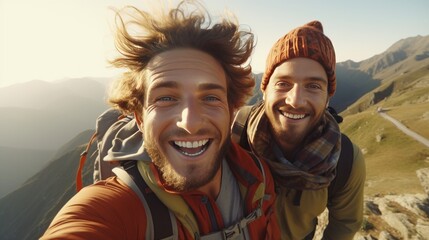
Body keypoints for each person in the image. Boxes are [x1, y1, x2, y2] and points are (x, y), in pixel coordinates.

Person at [41, 1, 279, 239]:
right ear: (140, 118)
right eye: (166, 98)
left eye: (210, 97)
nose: (191, 122)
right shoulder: (116, 208)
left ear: (231, 111)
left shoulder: (257, 178)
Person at [232, 21, 366, 239]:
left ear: (327, 96)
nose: (295, 101)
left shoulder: (345, 160)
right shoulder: (234, 130)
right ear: (264, 89)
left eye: (313, 86)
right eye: (283, 84)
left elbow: (345, 223)